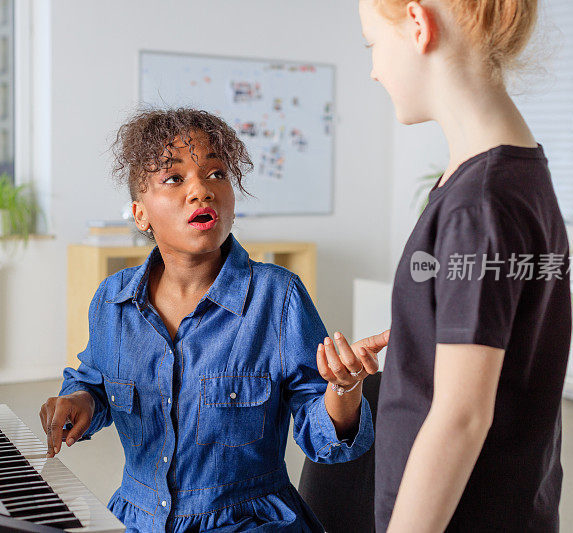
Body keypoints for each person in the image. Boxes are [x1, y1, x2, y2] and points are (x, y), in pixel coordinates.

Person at [39, 108, 380, 532]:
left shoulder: (278, 298)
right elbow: (94, 381)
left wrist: (344, 390)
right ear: (140, 213)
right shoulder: (112, 300)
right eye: (174, 178)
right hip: (138, 518)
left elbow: (325, 439)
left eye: (216, 174)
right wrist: (80, 400)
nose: (201, 190)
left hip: (250, 521)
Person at [301, 1, 571, 531]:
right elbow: (505, 327)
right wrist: (422, 334)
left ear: (419, 26)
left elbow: (461, 418)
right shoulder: (514, 173)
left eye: (372, 44)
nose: (375, 68)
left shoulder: (481, 203)